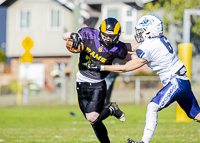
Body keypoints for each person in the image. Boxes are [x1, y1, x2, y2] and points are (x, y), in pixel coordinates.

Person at [86, 14, 200, 143]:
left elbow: (126, 68)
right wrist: (112, 42)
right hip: (182, 80)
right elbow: (133, 47)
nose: (139, 34)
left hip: (176, 82)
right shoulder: (156, 40)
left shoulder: (151, 45)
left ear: (149, 30)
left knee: (152, 107)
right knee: (197, 116)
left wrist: (102, 67)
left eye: (141, 31)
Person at [62, 17, 140, 143]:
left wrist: (146, 58)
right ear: (100, 32)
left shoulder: (117, 48)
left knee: (92, 117)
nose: (108, 39)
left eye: (112, 36)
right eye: (105, 35)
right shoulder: (88, 35)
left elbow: (132, 57)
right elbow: (64, 36)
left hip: (98, 84)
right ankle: (112, 110)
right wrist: (73, 35)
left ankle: (110, 111)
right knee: (94, 121)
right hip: (81, 81)